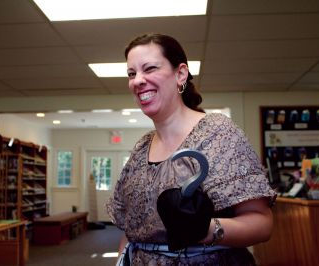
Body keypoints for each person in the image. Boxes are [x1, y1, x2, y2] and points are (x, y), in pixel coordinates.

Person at [106, 33, 276, 265]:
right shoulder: (141, 149)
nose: (137, 81)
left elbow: (262, 223)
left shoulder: (218, 133)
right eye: (132, 74)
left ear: (180, 74)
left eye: (150, 68)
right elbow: (131, 231)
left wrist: (205, 229)